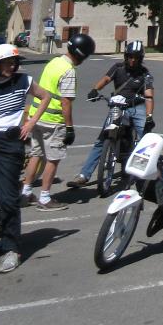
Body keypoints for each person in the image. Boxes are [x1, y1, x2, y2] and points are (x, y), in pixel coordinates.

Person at [0, 44, 53, 273]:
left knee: (8, 200)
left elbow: (45, 96)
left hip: (9, 145)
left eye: (14, 62)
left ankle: (11, 249)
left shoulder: (23, 81)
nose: (13, 66)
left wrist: (30, 123)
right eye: (7, 63)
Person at [20, 32, 96, 210]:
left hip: (36, 116)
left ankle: (25, 193)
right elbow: (66, 102)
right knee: (53, 159)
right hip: (53, 121)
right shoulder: (69, 71)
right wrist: (69, 128)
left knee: (35, 155)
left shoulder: (54, 62)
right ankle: (45, 198)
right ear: (81, 55)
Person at [67, 40, 155, 188]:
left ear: (141, 58)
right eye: (130, 56)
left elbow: (149, 96)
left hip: (136, 107)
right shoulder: (118, 67)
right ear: (126, 56)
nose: (133, 60)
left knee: (144, 138)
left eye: (136, 57)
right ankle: (84, 175)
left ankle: (142, 173)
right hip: (119, 105)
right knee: (102, 139)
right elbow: (106, 79)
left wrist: (149, 117)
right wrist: (95, 89)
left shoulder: (145, 74)